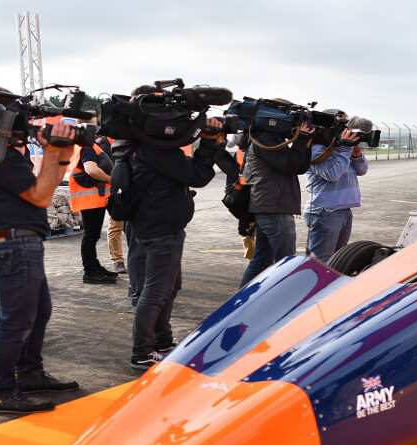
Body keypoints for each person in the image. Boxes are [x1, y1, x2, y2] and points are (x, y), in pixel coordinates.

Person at [0, 86, 80, 413]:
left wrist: (61, 152)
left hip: (15, 240)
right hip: (12, 242)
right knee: (16, 320)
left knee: (37, 312)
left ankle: (29, 373)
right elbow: (41, 197)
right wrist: (54, 151)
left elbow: (47, 185)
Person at [116, 90, 225, 370]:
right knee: (155, 291)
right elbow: (198, 175)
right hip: (161, 228)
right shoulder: (155, 151)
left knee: (167, 287)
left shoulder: (132, 144)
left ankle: (162, 341)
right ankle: (142, 351)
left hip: (147, 225)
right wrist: (210, 144)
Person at [239, 100, 315, 286]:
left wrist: (304, 140)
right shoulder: (265, 139)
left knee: (262, 260)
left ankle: (242, 299)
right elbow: (290, 165)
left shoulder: (269, 139)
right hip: (273, 207)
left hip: (271, 205)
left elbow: (299, 166)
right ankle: (280, 302)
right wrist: (302, 139)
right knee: (286, 261)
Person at [304, 115, 371, 262]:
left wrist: (357, 154)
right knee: (320, 262)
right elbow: (332, 173)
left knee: (337, 260)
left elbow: (362, 170)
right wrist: (345, 148)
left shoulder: (342, 149)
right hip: (324, 212)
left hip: (344, 210)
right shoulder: (317, 149)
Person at [68, 131, 118, 284]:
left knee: (93, 236)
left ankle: (94, 267)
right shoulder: (88, 148)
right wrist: (112, 179)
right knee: (90, 236)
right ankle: (90, 272)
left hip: (94, 199)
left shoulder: (87, 147)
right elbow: (91, 170)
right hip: (91, 199)